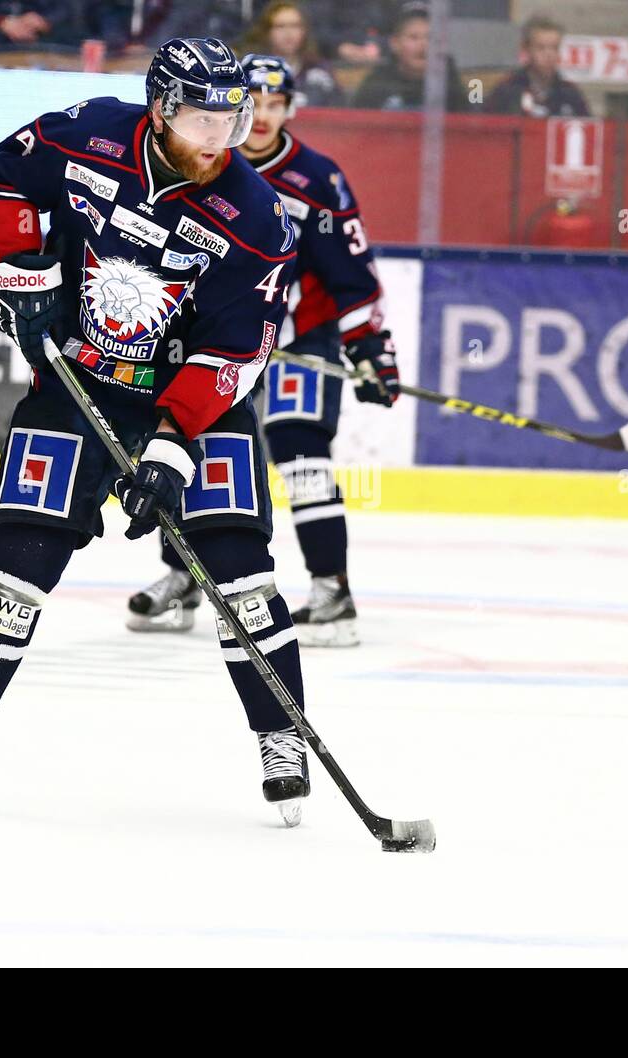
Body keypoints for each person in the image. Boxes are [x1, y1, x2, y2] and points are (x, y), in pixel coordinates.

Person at [0, 38, 316, 828]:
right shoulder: (86, 133)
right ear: (162, 107)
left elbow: (238, 350)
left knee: (241, 572)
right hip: (80, 381)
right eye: (205, 114)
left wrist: (171, 447)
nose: (222, 134)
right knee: (20, 562)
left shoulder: (259, 221)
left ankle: (283, 738)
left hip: (196, 407)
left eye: (234, 117)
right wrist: (25, 274)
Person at [126, 54, 398, 648]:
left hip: (301, 337)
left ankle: (331, 588)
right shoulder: (193, 168)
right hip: (216, 339)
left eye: (278, 104)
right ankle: (184, 574)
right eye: (258, 104)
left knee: (302, 452)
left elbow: (352, 271)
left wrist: (371, 346)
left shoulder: (316, 178)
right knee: (187, 442)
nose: (267, 117)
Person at [352, 2, 464, 112]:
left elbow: (466, 121)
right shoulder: (377, 83)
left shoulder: (448, 79)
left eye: (430, 37)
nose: (423, 44)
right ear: (394, 43)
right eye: (414, 37)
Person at [235, 2, 339, 107]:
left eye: (295, 26)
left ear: (304, 31)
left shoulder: (320, 70)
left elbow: (337, 110)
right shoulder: (251, 71)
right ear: (267, 32)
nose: (288, 33)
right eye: (280, 26)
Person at [486, 15, 589, 118]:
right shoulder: (508, 90)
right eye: (541, 48)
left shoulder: (570, 94)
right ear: (526, 49)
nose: (549, 55)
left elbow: (588, 127)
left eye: (554, 48)